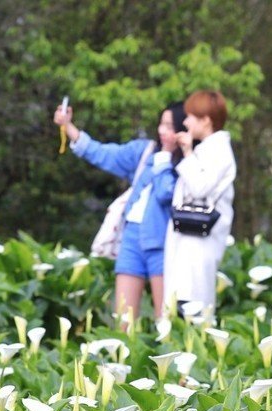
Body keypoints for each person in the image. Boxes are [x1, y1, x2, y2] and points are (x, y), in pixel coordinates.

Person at [54, 100, 186, 323]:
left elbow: (166, 194)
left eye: (171, 127)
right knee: (123, 318)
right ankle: (126, 357)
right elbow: (106, 154)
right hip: (131, 237)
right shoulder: (145, 152)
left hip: (162, 242)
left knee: (165, 320)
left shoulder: (186, 163)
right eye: (162, 124)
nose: (164, 131)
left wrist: (165, 159)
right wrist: (68, 127)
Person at [164, 90, 237, 317]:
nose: (185, 122)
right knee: (184, 302)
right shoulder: (208, 148)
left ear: (206, 120)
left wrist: (187, 154)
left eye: (190, 116)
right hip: (191, 242)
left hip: (199, 245)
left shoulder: (219, 151)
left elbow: (199, 188)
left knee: (191, 307)